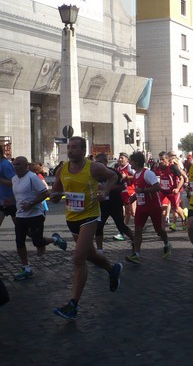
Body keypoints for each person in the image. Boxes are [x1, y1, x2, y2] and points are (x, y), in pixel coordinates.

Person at [50, 136, 123, 320]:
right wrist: (54, 196)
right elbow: (56, 194)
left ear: (83, 150)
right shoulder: (62, 169)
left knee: (78, 258)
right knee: (90, 255)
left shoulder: (94, 167)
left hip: (90, 216)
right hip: (72, 218)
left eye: (74, 147)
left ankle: (73, 305)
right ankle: (112, 269)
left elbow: (113, 176)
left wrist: (105, 191)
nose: (71, 150)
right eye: (69, 147)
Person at [11, 156, 67, 281]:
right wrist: (9, 201)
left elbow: (45, 193)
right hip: (20, 215)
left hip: (36, 214)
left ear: (26, 166)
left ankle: (54, 239)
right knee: (19, 241)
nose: (15, 167)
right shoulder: (14, 179)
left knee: (37, 242)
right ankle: (26, 268)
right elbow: (18, 196)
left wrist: (30, 204)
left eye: (18, 164)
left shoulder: (32, 178)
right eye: (14, 164)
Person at [125, 151, 172, 264]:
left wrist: (143, 191)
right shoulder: (135, 175)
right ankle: (136, 254)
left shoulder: (148, 173)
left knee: (159, 230)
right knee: (138, 230)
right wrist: (134, 197)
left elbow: (157, 187)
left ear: (136, 162)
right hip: (141, 207)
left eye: (131, 160)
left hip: (153, 206)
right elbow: (139, 190)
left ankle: (167, 244)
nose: (129, 162)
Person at [94, 153, 134, 254]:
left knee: (120, 225)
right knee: (99, 226)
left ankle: (135, 240)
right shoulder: (94, 175)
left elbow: (122, 187)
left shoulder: (114, 173)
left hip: (114, 202)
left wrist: (108, 188)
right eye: (96, 162)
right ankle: (99, 249)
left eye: (100, 162)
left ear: (105, 163)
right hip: (101, 204)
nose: (97, 165)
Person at [114, 152, 135, 241]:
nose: (120, 159)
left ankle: (140, 226)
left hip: (130, 192)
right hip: (121, 193)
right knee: (124, 213)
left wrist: (126, 177)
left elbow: (136, 176)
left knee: (133, 212)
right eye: (120, 158)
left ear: (127, 159)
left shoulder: (129, 167)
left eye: (122, 158)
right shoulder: (118, 168)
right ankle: (122, 232)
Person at [0, 150, 16, 228]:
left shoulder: (5, 165)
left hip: (11, 201)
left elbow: (14, 182)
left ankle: (53, 239)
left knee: (24, 230)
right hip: (2, 201)